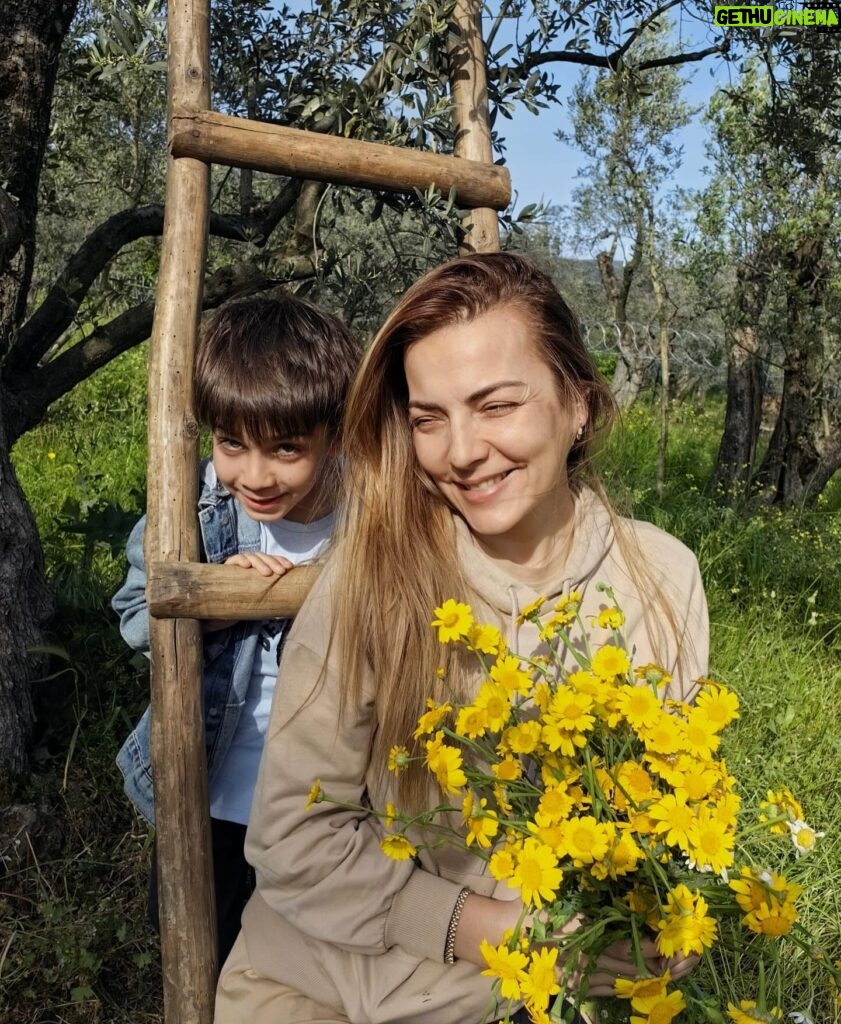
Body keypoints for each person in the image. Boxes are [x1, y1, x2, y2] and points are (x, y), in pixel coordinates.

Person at [214, 253, 710, 1024]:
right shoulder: (372, 578)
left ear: (577, 404)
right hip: (328, 992)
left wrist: (663, 916)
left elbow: (675, 805)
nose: (461, 451)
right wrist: (512, 934)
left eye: (495, 405)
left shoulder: (661, 577)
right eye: (428, 419)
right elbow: (293, 842)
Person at [112, 294, 360, 965]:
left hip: (324, 803)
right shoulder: (193, 506)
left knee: (302, 969)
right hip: (211, 787)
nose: (254, 475)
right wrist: (224, 592)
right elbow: (136, 615)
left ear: (334, 434)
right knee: (200, 951)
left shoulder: (370, 516)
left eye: (285, 449)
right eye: (231, 444)